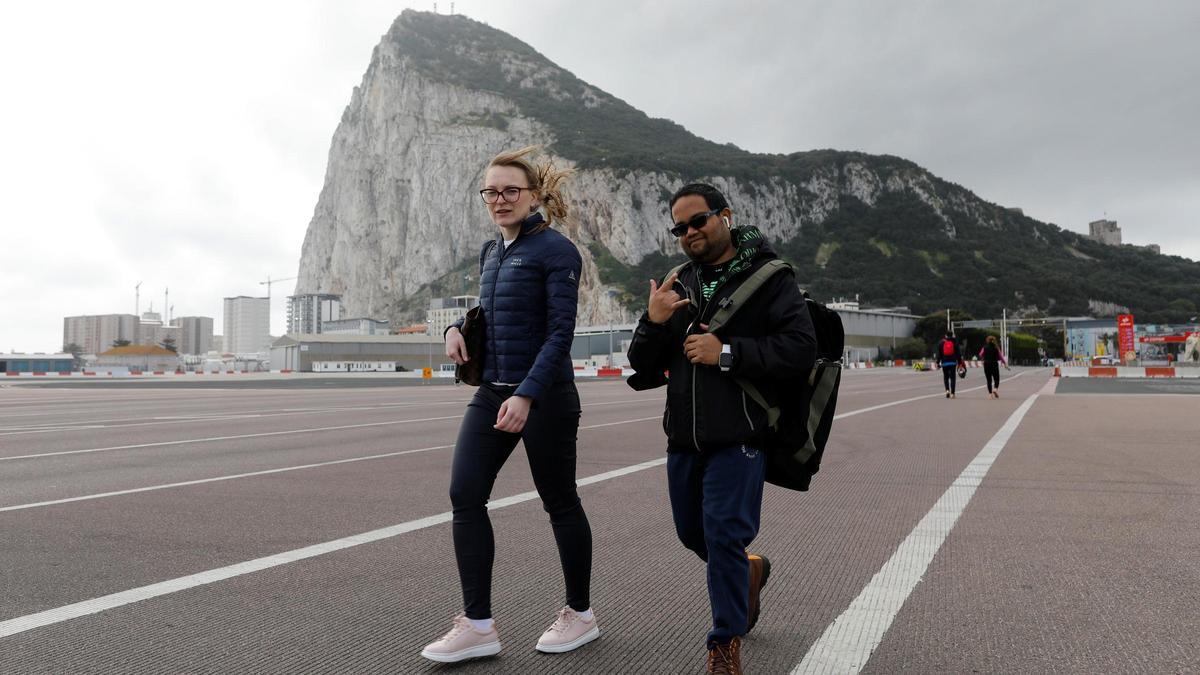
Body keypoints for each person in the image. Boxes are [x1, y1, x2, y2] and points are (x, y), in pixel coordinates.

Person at [627, 183, 817, 674]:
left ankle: (723, 645)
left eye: (699, 221)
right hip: (683, 436)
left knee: (724, 535)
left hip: (741, 435)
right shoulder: (676, 282)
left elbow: (799, 349)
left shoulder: (771, 278)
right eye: (680, 227)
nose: (690, 232)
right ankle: (750, 573)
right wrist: (652, 322)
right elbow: (641, 368)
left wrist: (727, 354)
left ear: (725, 216)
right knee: (695, 535)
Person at [421, 147, 598, 663]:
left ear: (534, 195)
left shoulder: (557, 252)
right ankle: (478, 625)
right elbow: (492, 308)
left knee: (560, 501)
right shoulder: (491, 252)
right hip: (493, 391)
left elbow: (559, 333)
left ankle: (580, 614)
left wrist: (527, 393)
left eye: (510, 191)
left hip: (545, 397)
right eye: (491, 192)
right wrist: (456, 327)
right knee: (465, 494)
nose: (500, 200)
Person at [936, 332, 962, 398]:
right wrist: (960, 363)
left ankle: (947, 390)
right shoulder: (955, 342)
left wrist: (937, 362)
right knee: (953, 378)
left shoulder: (941, 343)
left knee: (946, 377)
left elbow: (939, 354)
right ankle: (952, 393)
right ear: (952, 335)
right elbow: (958, 354)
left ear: (945, 335)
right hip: (953, 362)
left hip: (944, 363)